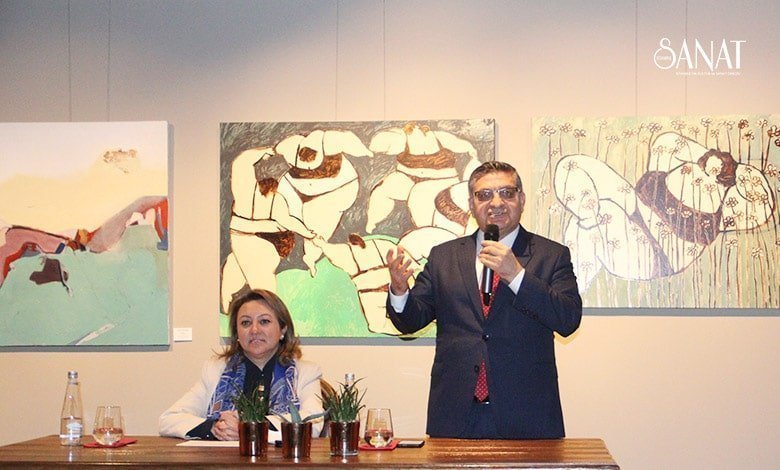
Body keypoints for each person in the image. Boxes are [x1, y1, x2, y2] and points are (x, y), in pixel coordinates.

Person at [386, 161, 582, 439]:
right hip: (456, 413)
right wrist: (399, 291)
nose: (496, 203)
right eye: (484, 195)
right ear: (471, 203)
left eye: (507, 193)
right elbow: (410, 322)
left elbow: (567, 320)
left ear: (522, 199)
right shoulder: (444, 256)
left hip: (527, 414)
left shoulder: (551, 255)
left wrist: (516, 275)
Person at [159, 288, 324, 441]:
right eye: (245, 323)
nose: (254, 330)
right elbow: (168, 420)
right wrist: (215, 428)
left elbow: (313, 423)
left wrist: (249, 429)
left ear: (283, 329)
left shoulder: (306, 372)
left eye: (264, 321)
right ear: (237, 333)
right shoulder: (215, 370)